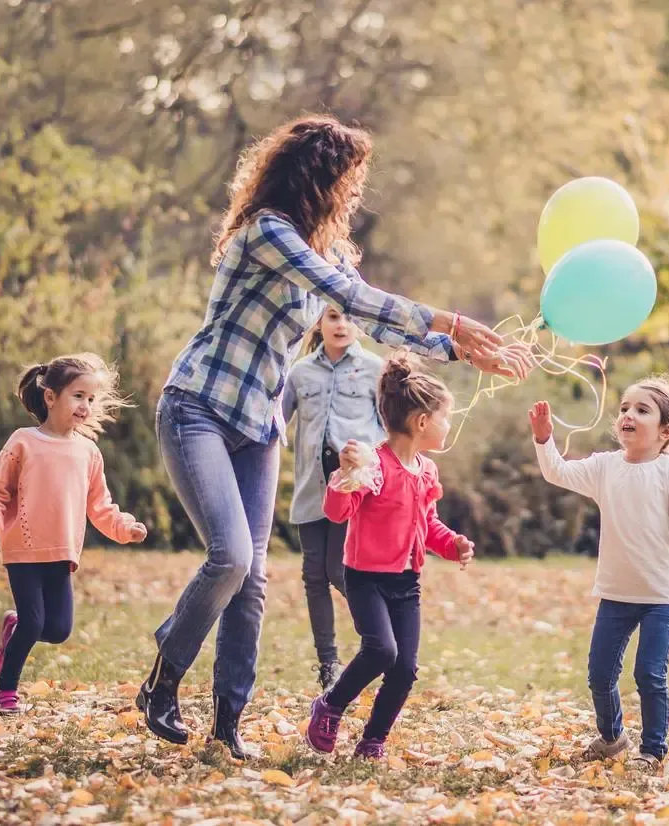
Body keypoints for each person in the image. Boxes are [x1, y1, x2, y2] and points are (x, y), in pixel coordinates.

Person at [138, 114, 533, 755]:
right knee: (231, 557)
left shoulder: (326, 252)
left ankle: (227, 724)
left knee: (254, 577)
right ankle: (165, 674)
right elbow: (346, 291)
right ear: (316, 178)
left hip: (259, 424)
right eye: (349, 180)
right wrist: (457, 321)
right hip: (200, 407)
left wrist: (457, 351)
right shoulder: (267, 233)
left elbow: (374, 318)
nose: (355, 193)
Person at [304, 352, 474, 760]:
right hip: (365, 579)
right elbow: (337, 512)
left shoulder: (425, 471)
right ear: (421, 422)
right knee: (382, 650)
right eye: (445, 417)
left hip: (406, 583)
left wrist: (452, 544)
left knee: (404, 669)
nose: (448, 424)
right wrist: (345, 477)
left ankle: (373, 739)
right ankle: (330, 706)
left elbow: (426, 525)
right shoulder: (372, 466)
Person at [528, 377, 669, 772]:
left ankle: (653, 749)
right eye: (625, 407)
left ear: (665, 431)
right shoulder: (604, 466)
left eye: (642, 410)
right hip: (616, 592)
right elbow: (556, 471)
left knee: (649, 673)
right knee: (599, 673)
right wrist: (543, 440)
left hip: (662, 592)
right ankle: (611, 737)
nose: (628, 414)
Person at [0, 353, 147, 714]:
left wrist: (125, 528)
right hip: (23, 549)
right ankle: (5, 692)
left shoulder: (88, 452)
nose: (85, 406)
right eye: (77, 396)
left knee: (57, 629)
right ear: (51, 397)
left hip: (62, 552)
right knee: (35, 620)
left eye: (91, 398)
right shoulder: (23, 442)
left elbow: (101, 506)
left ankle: (12, 628)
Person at [282, 307, 384, 689]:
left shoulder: (375, 369)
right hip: (311, 485)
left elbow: (389, 429)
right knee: (313, 575)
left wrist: (374, 467)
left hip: (353, 487)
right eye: (332, 317)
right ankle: (328, 664)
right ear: (318, 323)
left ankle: (381, 637)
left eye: (347, 317)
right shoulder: (300, 372)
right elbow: (277, 422)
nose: (341, 325)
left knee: (338, 570)